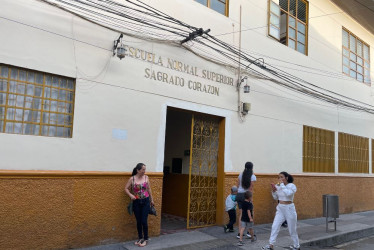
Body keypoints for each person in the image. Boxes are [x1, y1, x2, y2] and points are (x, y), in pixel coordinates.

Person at [262, 172, 300, 250]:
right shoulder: (279, 185)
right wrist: (273, 191)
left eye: (282, 177)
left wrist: (281, 185)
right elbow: (276, 197)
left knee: (292, 229)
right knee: (275, 226)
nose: (280, 179)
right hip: (280, 208)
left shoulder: (292, 186)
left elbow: (288, 194)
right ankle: (270, 245)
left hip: (289, 208)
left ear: (286, 178)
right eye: (279, 177)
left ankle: (296, 246)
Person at [125, 163, 155, 247]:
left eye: (145, 169)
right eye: (143, 169)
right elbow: (126, 188)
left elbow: (149, 189)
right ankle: (140, 238)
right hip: (136, 202)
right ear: (138, 170)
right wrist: (131, 195)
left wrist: (151, 200)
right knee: (138, 221)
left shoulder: (146, 177)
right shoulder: (132, 179)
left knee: (144, 221)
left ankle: (145, 238)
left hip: (145, 201)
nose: (144, 171)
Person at [236, 161, 256, 239]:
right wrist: (250, 198)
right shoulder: (252, 176)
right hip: (247, 195)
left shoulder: (241, 174)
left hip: (239, 195)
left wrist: (238, 194)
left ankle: (239, 233)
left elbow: (237, 185)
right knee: (249, 213)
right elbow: (251, 188)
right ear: (252, 167)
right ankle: (248, 232)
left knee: (241, 214)